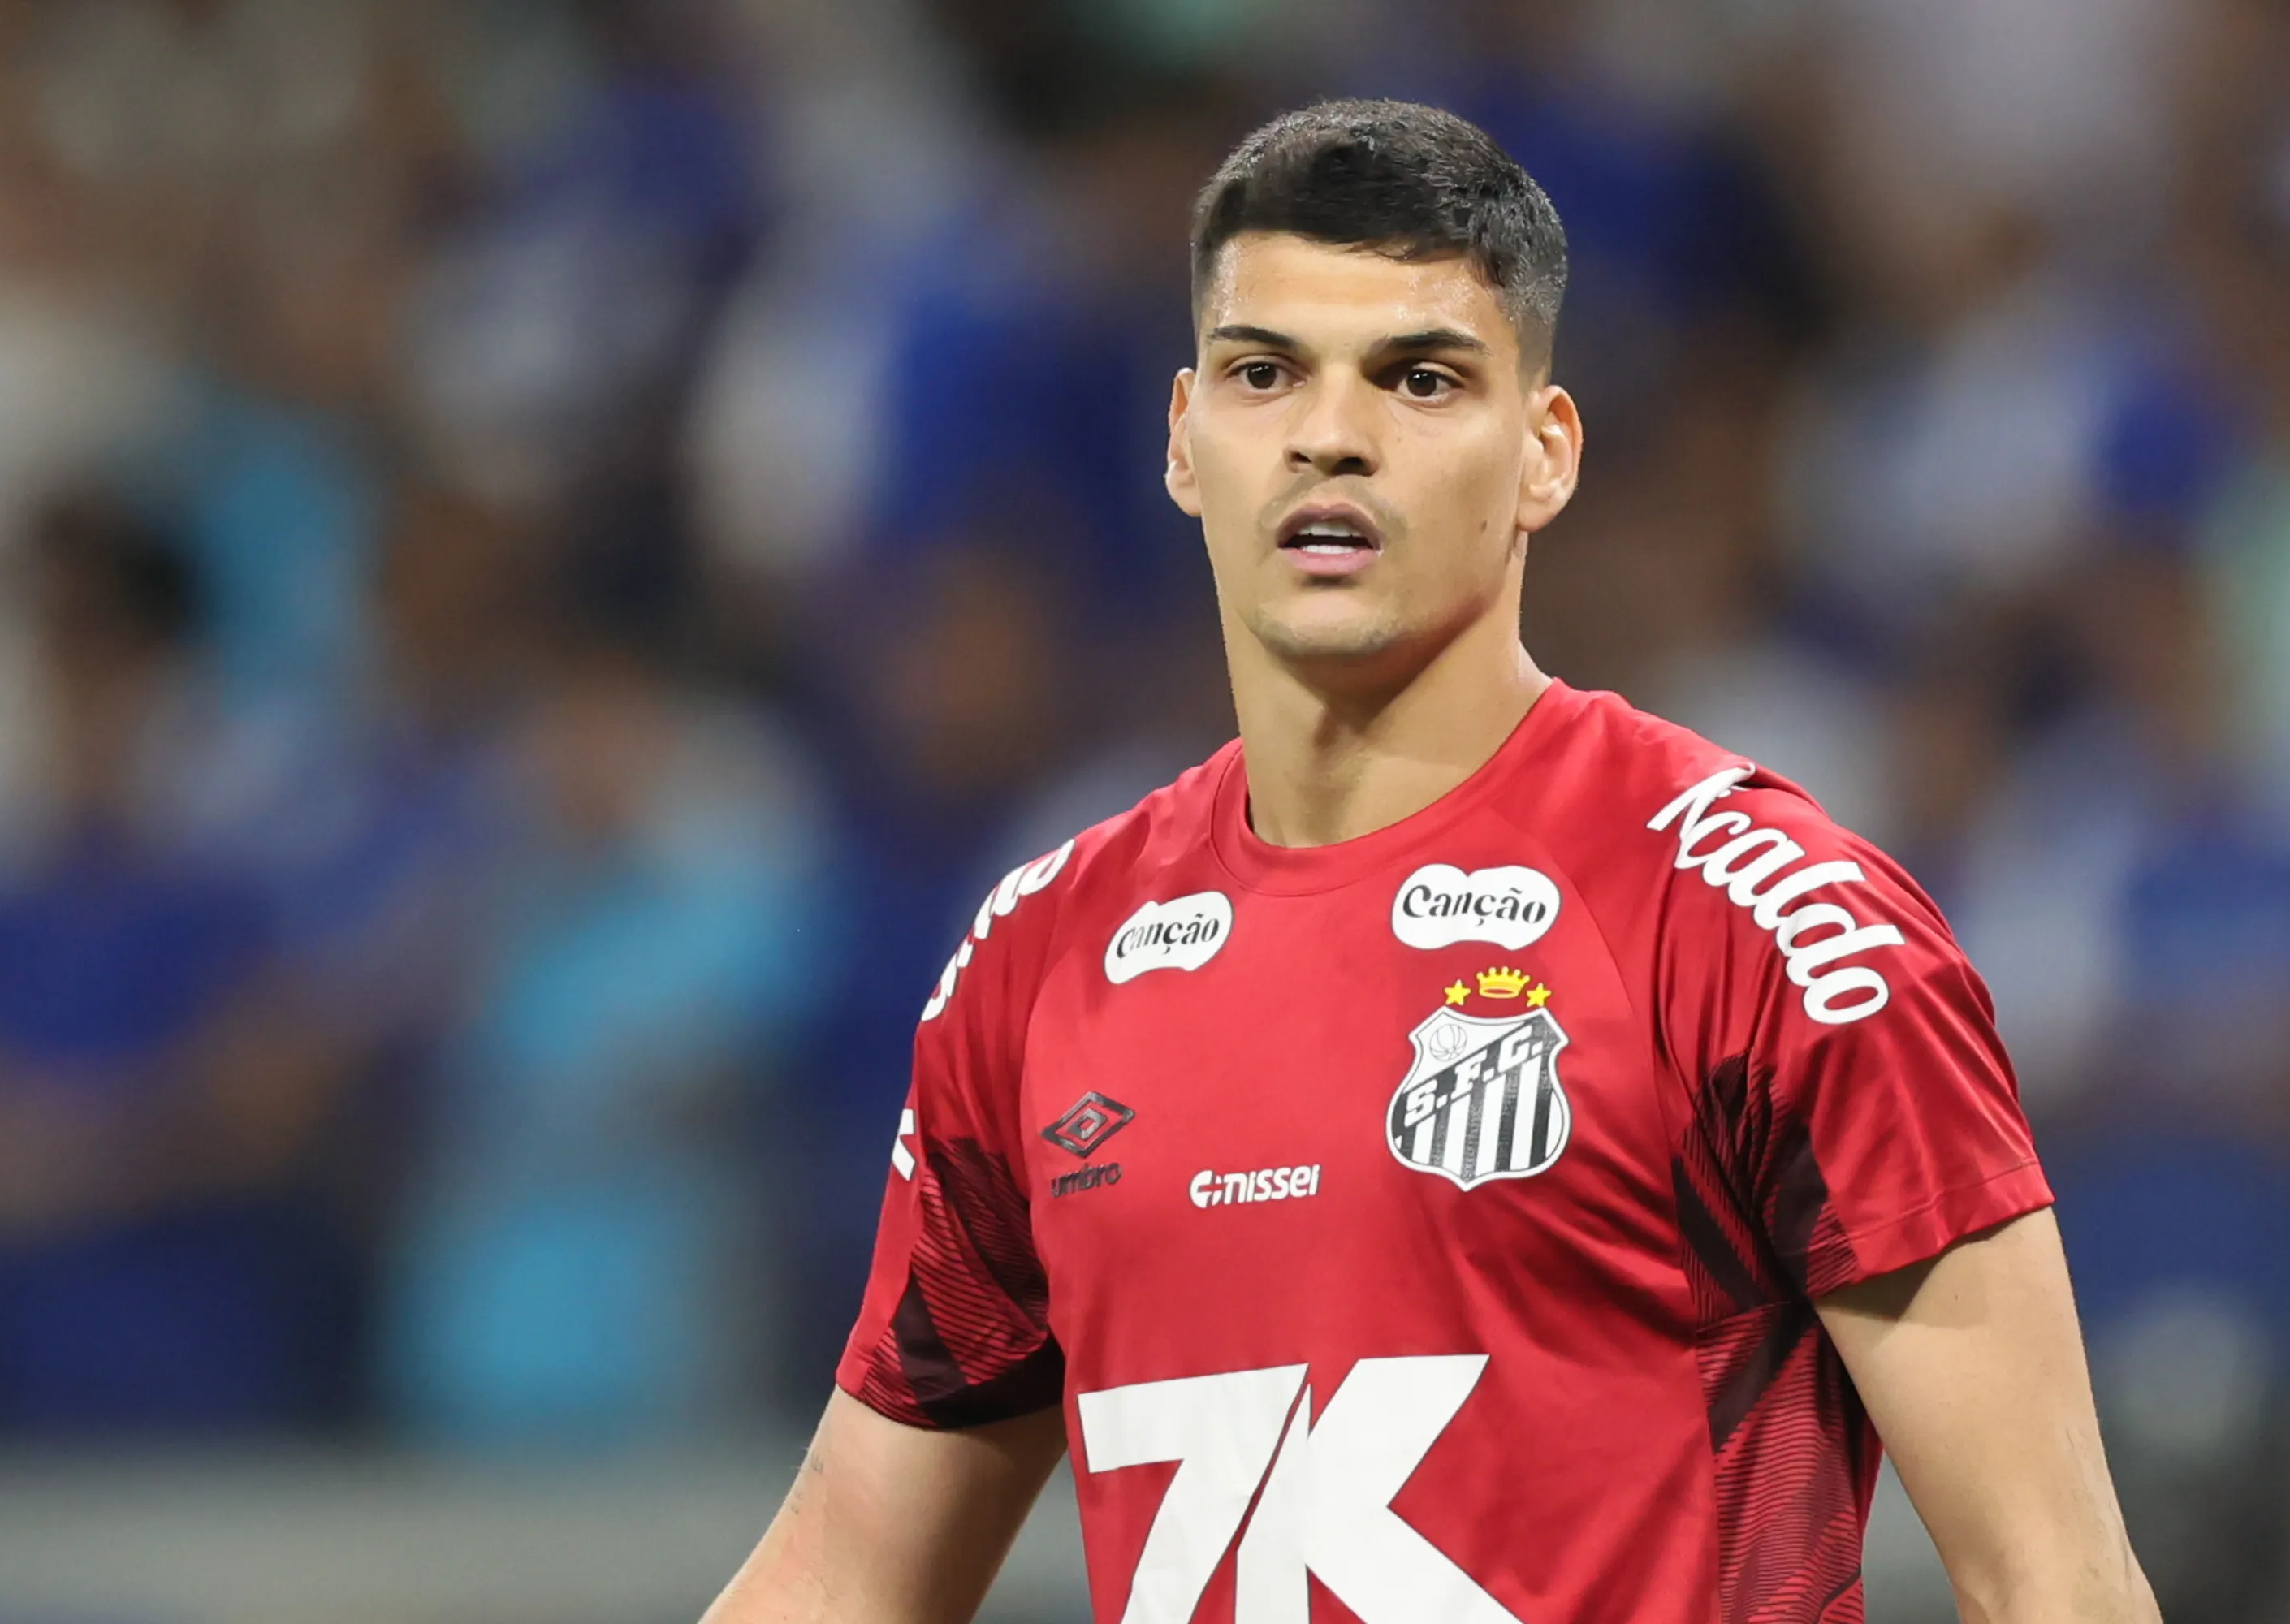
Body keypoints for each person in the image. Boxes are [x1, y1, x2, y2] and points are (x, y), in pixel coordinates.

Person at [706, 101, 2158, 1623]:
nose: (1332, 434)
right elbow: (846, 1574)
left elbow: (2054, 1579)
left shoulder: (1763, 922)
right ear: (1186, 441)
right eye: (1268, 374)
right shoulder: (1036, 963)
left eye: (1419, 378)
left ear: (1545, 454)